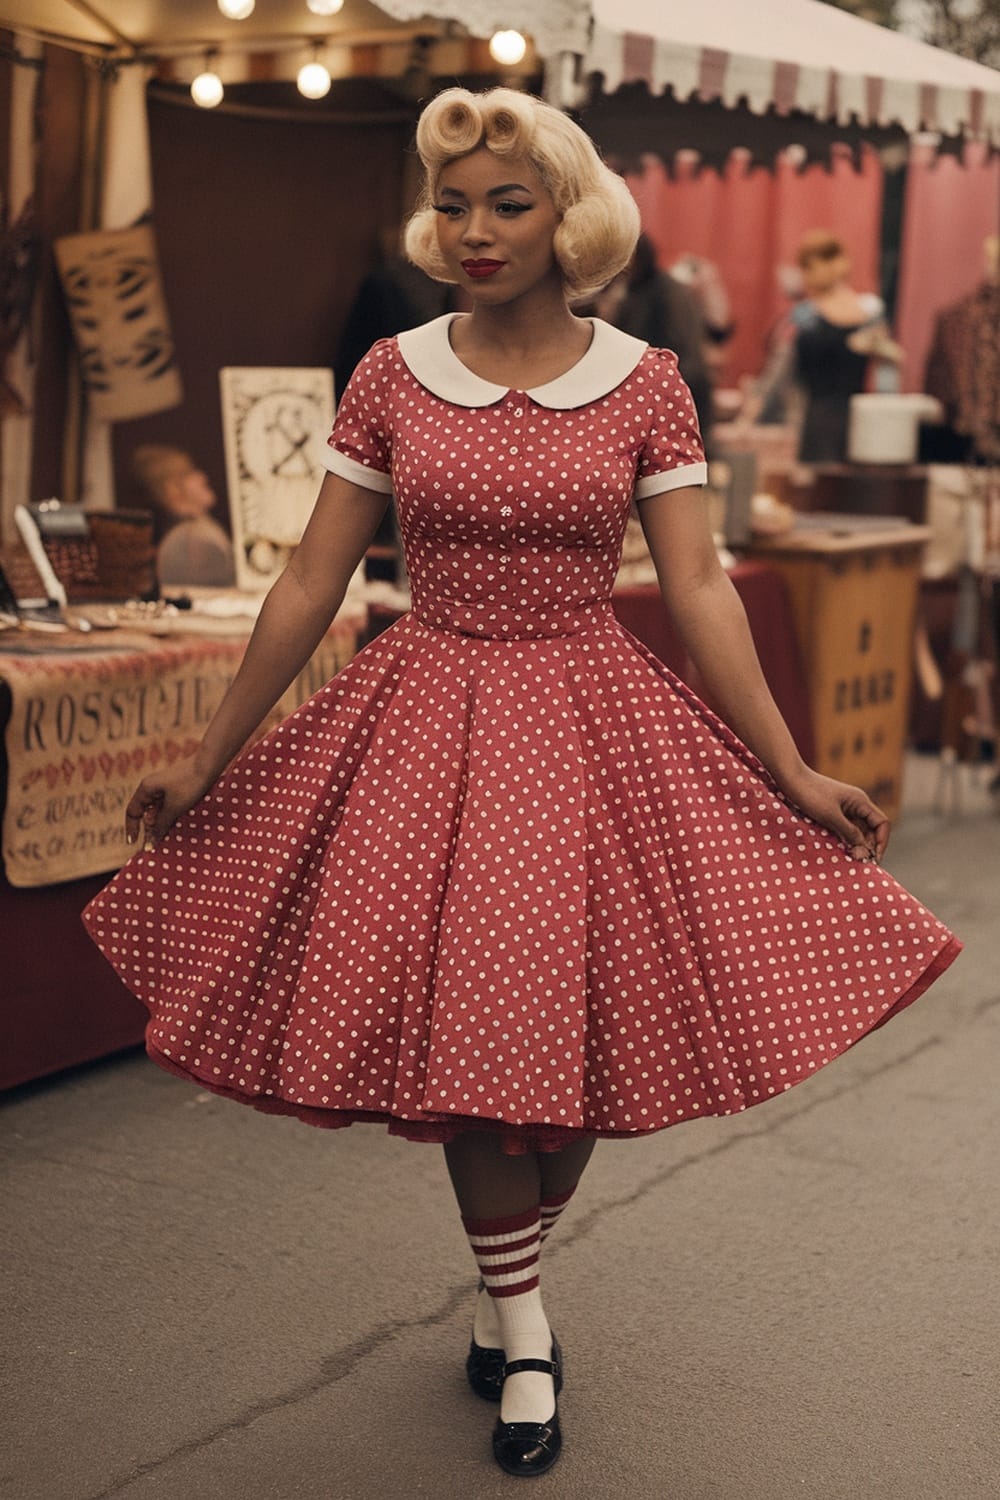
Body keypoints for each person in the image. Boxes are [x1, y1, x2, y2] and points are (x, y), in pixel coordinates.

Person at [84, 90, 960, 1479]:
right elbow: (313, 575)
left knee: (577, 1061)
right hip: (427, 719)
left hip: (594, 721)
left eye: (509, 202)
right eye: (455, 203)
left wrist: (789, 765)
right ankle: (526, 1323)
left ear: (570, 215)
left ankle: (513, 1265)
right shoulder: (390, 370)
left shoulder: (645, 380)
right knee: (483, 1057)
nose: (475, 229)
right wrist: (211, 753)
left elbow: (699, 590)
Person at [130, 444, 236, 588]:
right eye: (189, 472)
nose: (202, 477)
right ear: (172, 488)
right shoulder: (192, 539)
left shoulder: (195, 531)